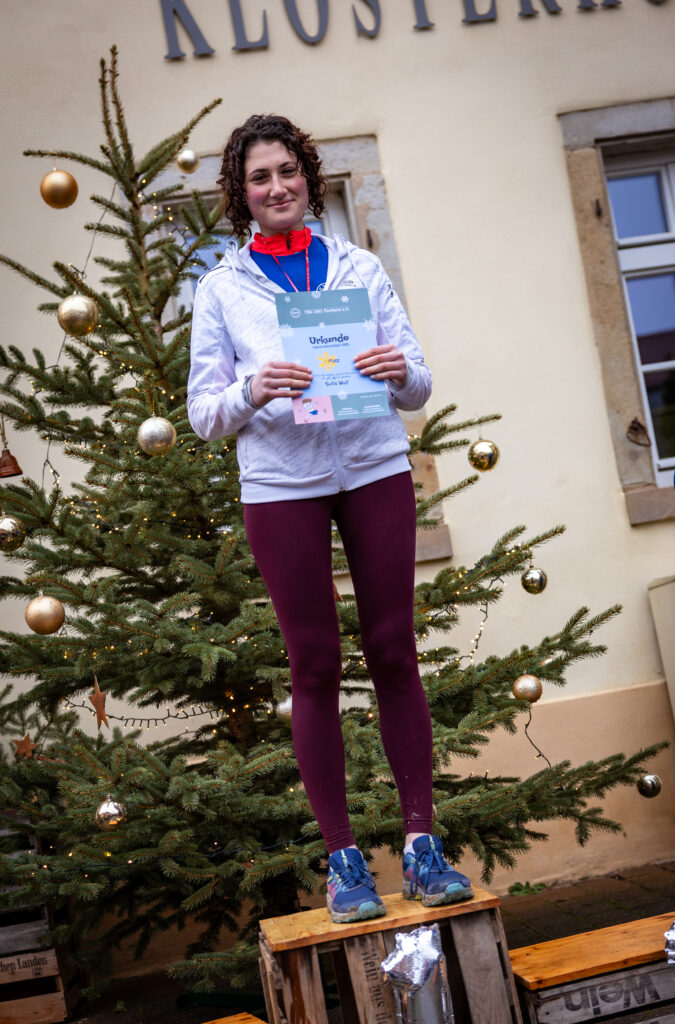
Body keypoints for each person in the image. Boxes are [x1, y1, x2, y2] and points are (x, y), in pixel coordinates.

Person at [187, 114, 473, 923]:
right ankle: (344, 862)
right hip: (281, 483)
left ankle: (421, 847)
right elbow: (204, 414)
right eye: (259, 178)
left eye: (287, 171)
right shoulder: (222, 289)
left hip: (374, 467)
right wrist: (253, 390)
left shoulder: (358, 268)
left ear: (308, 178)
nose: (276, 187)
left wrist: (396, 369)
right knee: (312, 664)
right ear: (241, 195)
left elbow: (417, 385)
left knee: (392, 650)